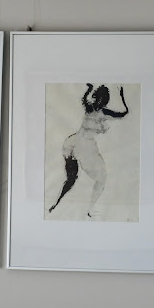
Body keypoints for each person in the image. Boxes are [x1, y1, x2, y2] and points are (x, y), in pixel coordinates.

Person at [48, 83, 129, 217]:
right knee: (100, 179)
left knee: (72, 179)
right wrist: (122, 97)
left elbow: (86, 99)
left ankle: (57, 204)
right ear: (105, 100)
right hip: (83, 147)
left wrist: (89, 90)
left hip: (73, 143)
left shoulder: (90, 107)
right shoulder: (101, 111)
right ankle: (89, 209)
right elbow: (123, 113)